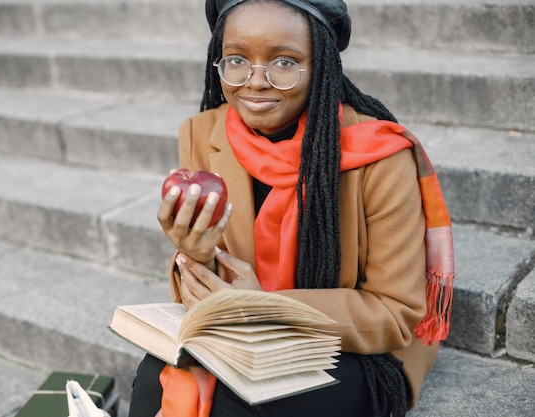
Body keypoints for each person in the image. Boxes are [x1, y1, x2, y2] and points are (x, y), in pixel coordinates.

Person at [128, 0, 454, 416]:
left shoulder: (381, 156)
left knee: (237, 402)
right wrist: (195, 252)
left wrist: (266, 308)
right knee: (154, 378)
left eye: (284, 61)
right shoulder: (204, 133)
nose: (255, 82)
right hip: (239, 329)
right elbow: (210, 293)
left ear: (320, 67)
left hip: (351, 349)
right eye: (236, 60)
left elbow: (394, 313)